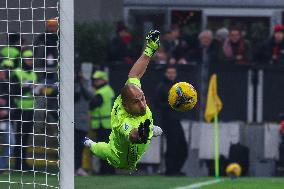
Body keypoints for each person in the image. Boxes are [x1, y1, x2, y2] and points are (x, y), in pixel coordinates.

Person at [84, 30, 163, 170]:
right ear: (126, 107)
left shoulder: (133, 92)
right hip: (121, 159)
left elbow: (135, 74)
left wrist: (150, 49)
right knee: (102, 149)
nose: (142, 104)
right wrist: (144, 132)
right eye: (136, 102)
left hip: (137, 131)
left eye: (142, 98)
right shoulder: (123, 120)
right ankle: (90, 144)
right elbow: (132, 135)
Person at [155, 66, 188, 176]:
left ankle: (176, 169)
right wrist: (171, 104)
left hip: (176, 119)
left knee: (182, 146)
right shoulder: (161, 87)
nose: (171, 74)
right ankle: (171, 170)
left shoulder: (178, 87)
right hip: (168, 120)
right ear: (165, 73)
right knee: (172, 145)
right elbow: (157, 104)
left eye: (173, 72)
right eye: (169, 72)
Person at [10, 49, 38, 170]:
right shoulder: (17, 73)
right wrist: (28, 88)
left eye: (31, 58)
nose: (30, 61)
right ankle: (18, 163)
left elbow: (33, 91)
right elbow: (14, 92)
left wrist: (38, 90)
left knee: (25, 137)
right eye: (28, 59)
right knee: (18, 137)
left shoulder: (33, 74)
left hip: (30, 109)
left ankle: (23, 162)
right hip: (19, 109)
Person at [89, 70, 115, 174]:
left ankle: (106, 170)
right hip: (106, 124)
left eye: (97, 80)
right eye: (95, 80)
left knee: (103, 148)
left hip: (103, 124)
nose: (95, 82)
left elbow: (92, 104)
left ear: (103, 80)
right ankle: (108, 170)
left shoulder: (102, 92)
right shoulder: (108, 90)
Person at [74, 71, 93, 176]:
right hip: (72, 122)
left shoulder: (85, 85)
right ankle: (72, 168)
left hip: (82, 122)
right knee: (71, 147)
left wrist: (81, 84)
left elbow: (89, 95)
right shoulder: (71, 85)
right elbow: (74, 95)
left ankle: (78, 168)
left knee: (79, 147)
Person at [0, 68, 15, 174]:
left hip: (5, 121)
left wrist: (8, 111)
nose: (3, 73)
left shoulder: (8, 86)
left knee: (11, 143)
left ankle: (1, 166)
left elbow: (13, 103)